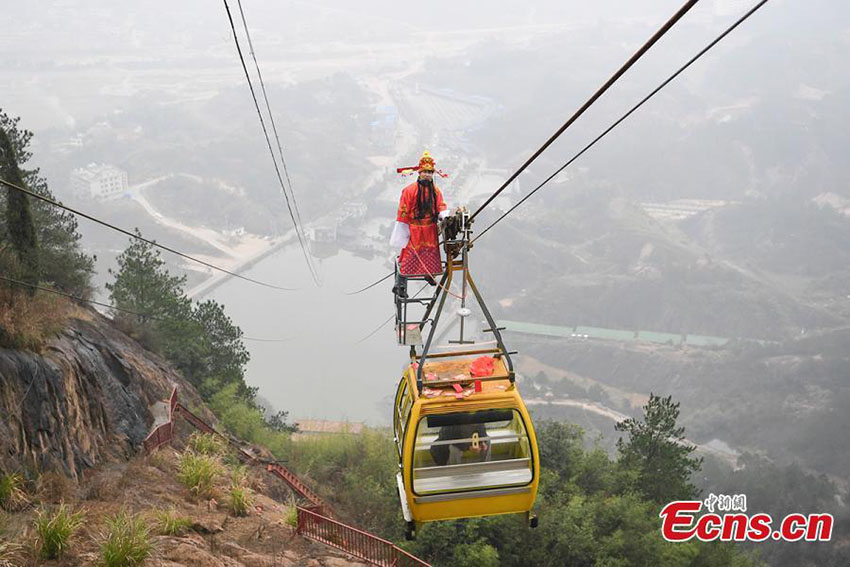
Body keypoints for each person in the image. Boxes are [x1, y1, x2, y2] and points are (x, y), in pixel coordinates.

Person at [391, 151, 451, 293]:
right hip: (415, 229)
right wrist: (403, 229)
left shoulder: (435, 190)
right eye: (425, 172)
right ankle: (400, 284)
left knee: (430, 253)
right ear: (419, 172)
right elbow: (403, 211)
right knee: (409, 255)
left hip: (430, 228)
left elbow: (441, 205)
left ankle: (429, 274)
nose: (427, 175)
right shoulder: (409, 191)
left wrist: (444, 214)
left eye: (430, 172)